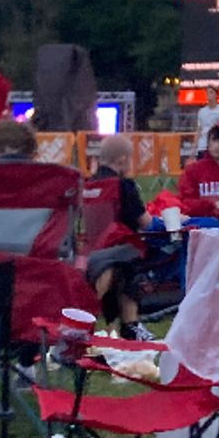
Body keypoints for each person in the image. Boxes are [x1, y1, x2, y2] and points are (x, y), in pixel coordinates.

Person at [86, 133, 155, 341]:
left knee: (125, 259)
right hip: (117, 250)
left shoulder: (89, 185)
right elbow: (145, 223)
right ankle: (131, 325)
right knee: (131, 257)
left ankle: (129, 326)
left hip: (90, 250)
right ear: (123, 159)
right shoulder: (123, 186)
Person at [193, 85, 219, 156]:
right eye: (207, 93)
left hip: (215, 148)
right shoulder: (202, 111)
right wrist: (194, 148)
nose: (208, 95)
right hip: (202, 147)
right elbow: (199, 130)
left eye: (211, 92)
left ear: (217, 95)